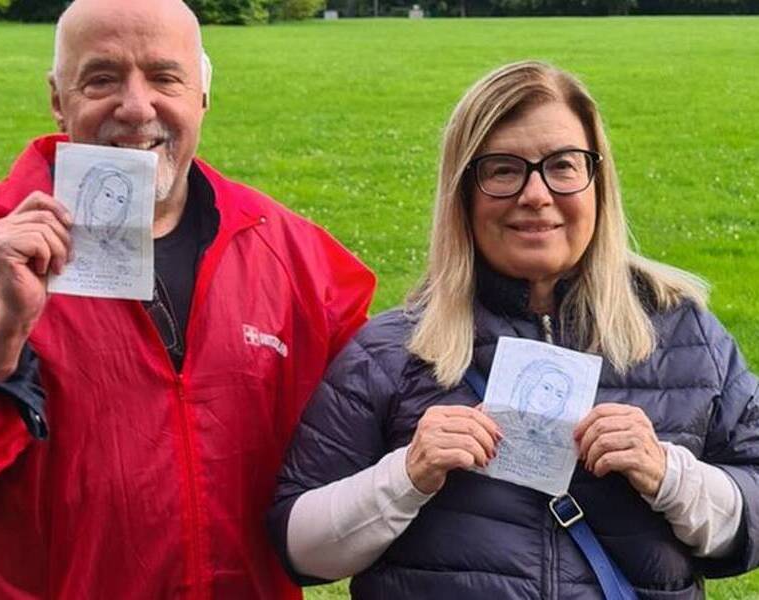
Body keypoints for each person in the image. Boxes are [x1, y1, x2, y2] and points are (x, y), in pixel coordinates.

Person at [0, 0, 374, 598]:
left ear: (202, 95)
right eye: (102, 78)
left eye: (164, 77)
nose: (135, 106)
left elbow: (370, 423)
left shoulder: (290, 252)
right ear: (58, 98)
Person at [269, 61, 759, 599]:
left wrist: (669, 475)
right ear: (464, 194)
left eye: (563, 166)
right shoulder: (394, 351)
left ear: (598, 181)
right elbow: (300, 547)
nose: (536, 194)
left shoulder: (683, 334)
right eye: (503, 169)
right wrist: (405, 477)